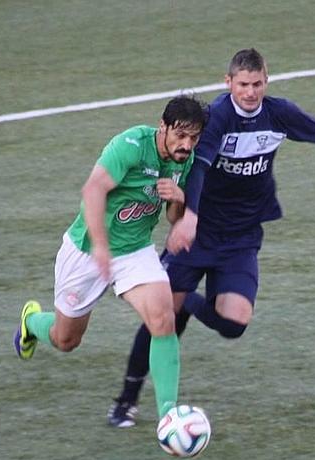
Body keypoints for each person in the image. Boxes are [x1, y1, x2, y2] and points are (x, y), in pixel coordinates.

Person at [107, 48, 315, 427]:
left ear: (266, 81)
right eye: (243, 84)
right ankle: (127, 400)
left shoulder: (278, 114)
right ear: (228, 83)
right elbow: (200, 169)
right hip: (198, 235)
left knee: (234, 322)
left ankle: (190, 302)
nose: (250, 92)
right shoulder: (216, 118)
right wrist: (188, 217)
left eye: (257, 84)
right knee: (162, 319)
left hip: (241, 238)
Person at [14, 95, 208, 422]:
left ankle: (169, 415)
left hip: (134, 251)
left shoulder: (184, 160)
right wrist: (101, 247)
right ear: (163, 127)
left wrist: (180, 199)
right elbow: (92, 190)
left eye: (193, 138)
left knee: (163, 319)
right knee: (66, 340)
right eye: (180, 135)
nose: (186, 144)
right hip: (88, 250)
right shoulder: (130, 145)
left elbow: (173, 218)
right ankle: (31, 322)